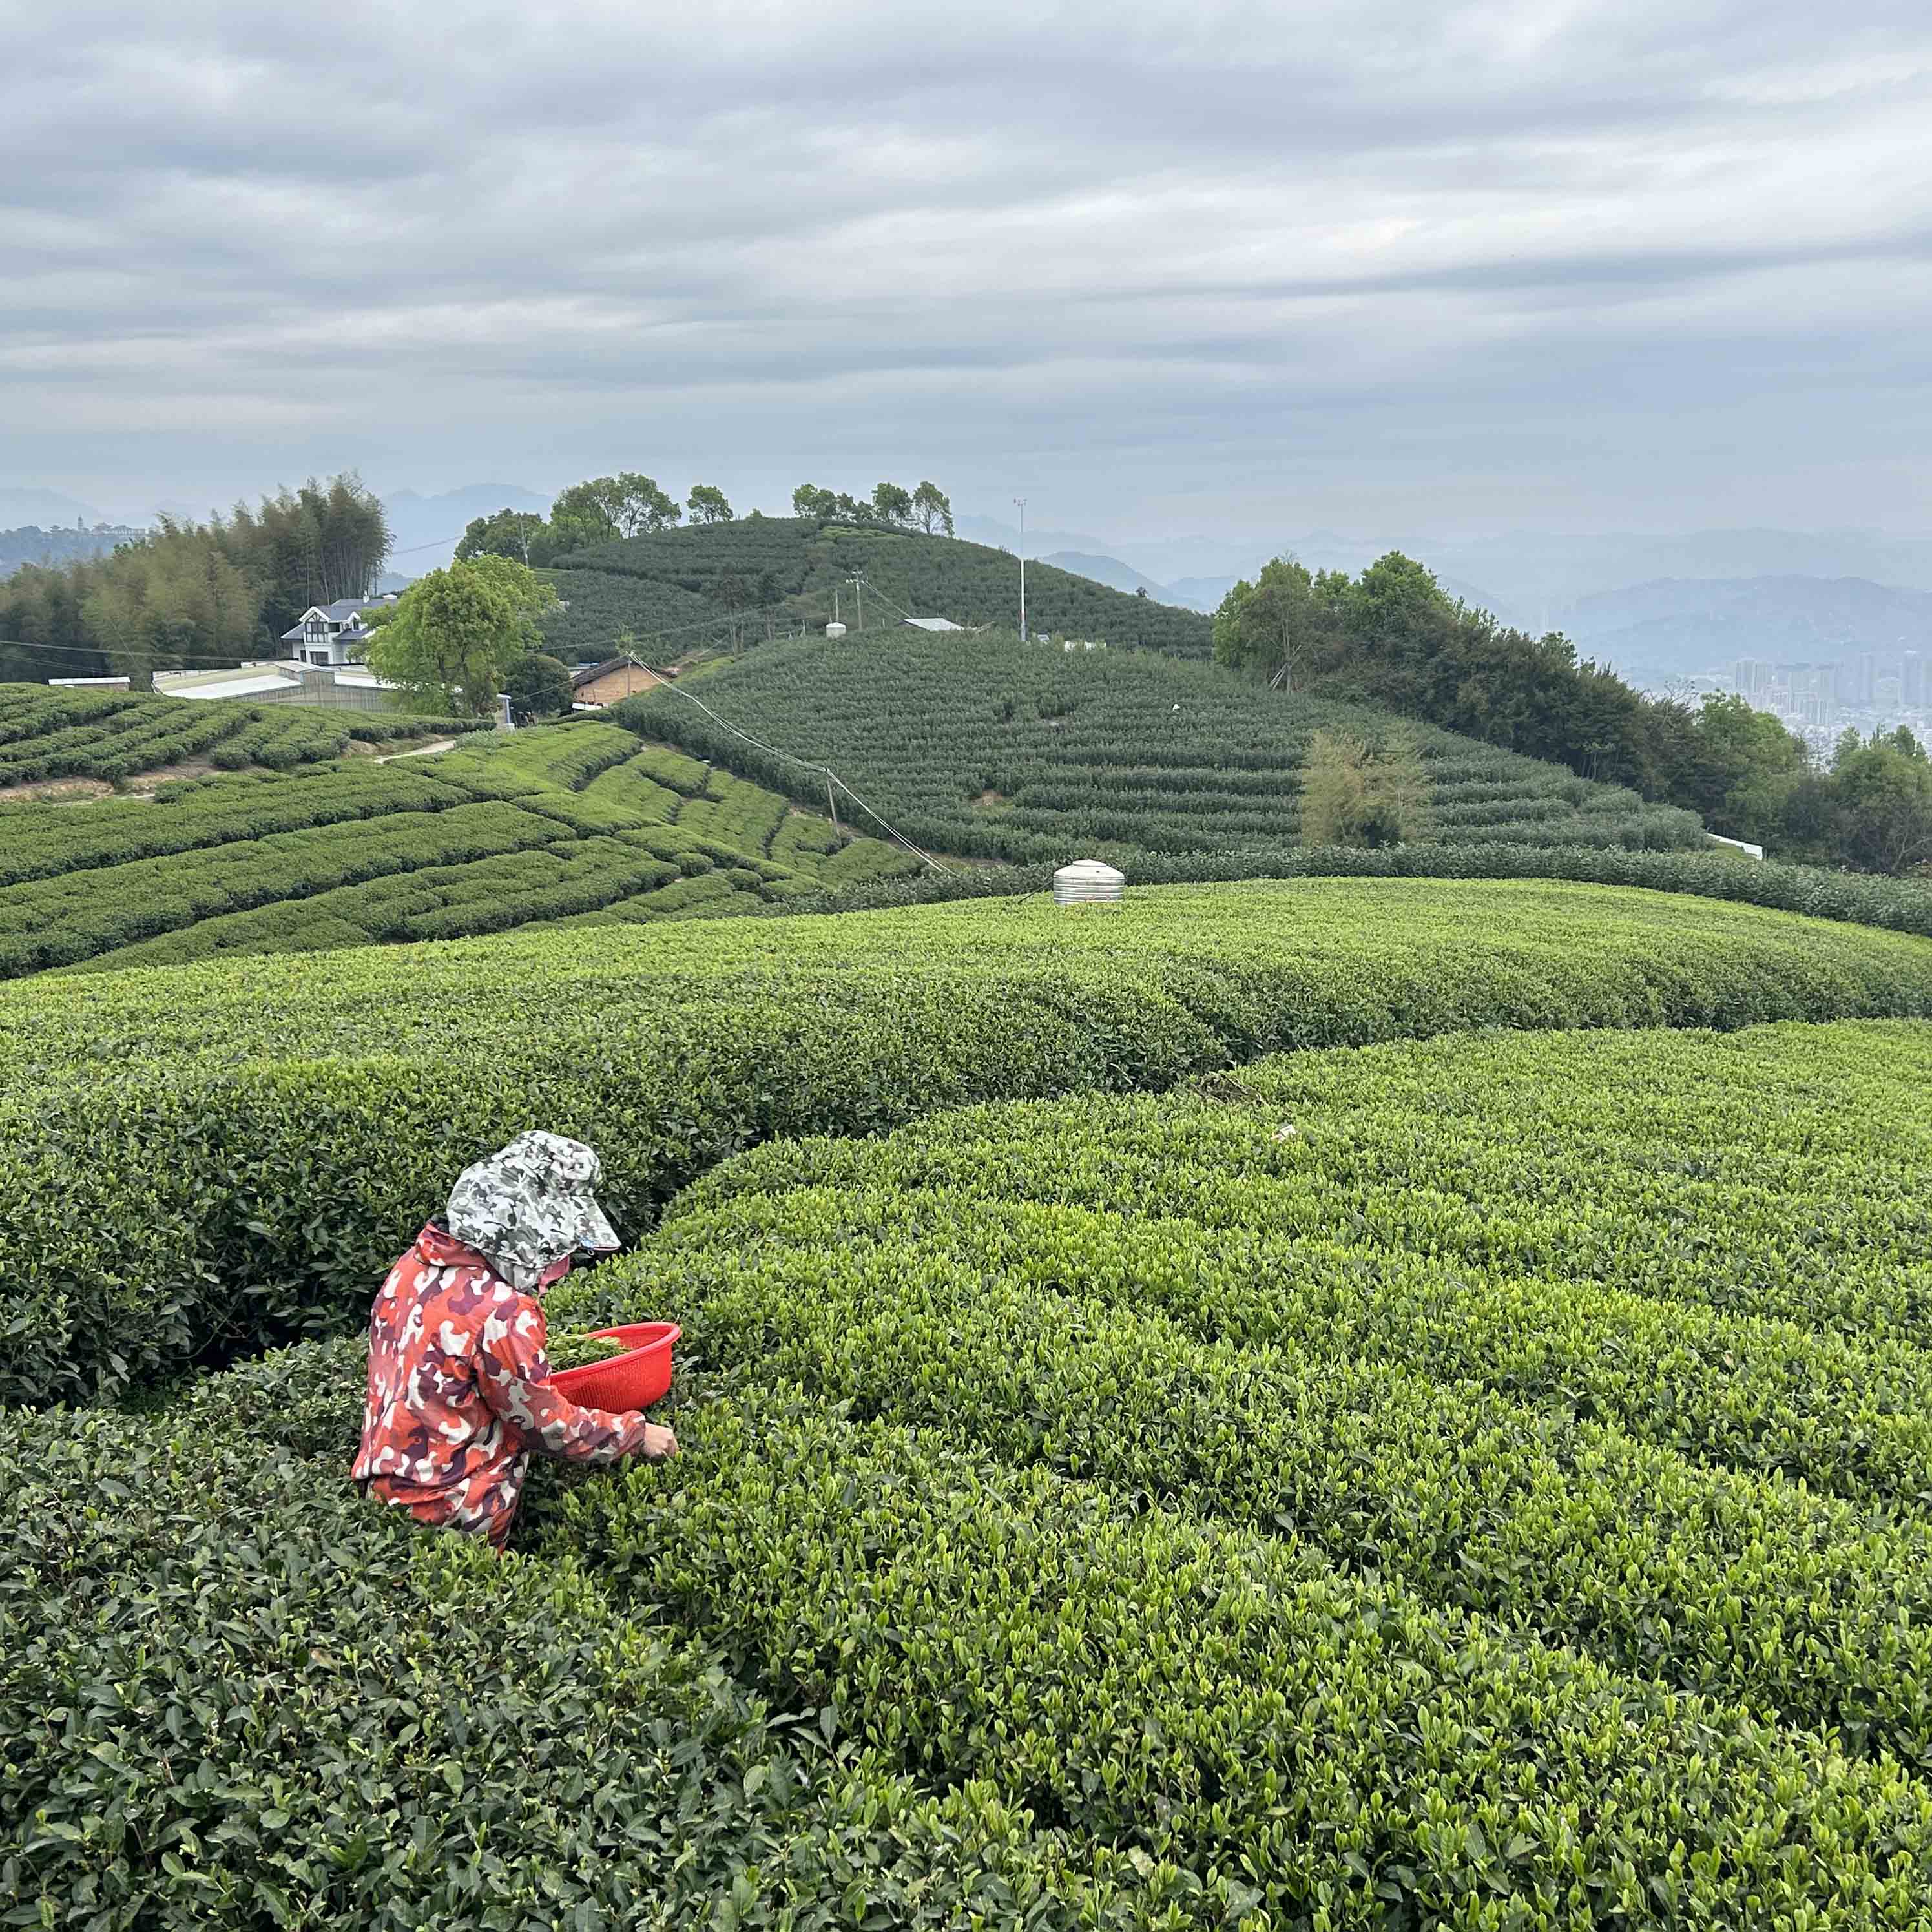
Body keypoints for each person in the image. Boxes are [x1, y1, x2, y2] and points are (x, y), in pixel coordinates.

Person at [353, 1130, 676, 1549]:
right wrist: (635, 1434)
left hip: (382, 1503)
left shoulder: (413, 1266)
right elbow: (543, 1423)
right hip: (450, 1516)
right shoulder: (502, 1309)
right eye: (557, 1247)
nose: (560, 1265)